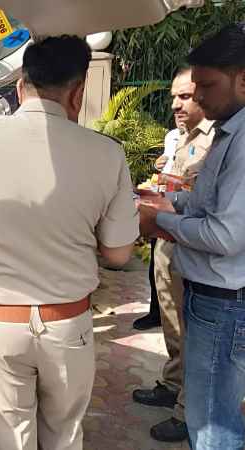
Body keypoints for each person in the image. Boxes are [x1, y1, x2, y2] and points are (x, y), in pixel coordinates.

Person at [0, 36, 139, 450]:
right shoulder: (107, 154)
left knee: (10, 437)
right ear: (78, 92)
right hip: (67, 325)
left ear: (19, 86)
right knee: (64, 435)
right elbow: (119, 255)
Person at [139, 23, 245, 450]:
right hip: (212, 296)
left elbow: (225, 235)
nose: (197, 97)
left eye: (206, 86)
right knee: (207, 410)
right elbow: (205, 201)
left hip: (225, 301)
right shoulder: (229, 131)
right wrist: (167, 203)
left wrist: (160, 222)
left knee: (212, 425)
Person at [133, 66, 215, 442]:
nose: (175, 105)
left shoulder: (219, 139)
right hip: (168, 240)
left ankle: (187, 410)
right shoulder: (184, 136)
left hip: (196, 248)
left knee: (192, 329)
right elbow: (179, 187)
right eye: (173, 98)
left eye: (184, 96)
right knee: (170, 317)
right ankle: (172, 383)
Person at [133, 128, 180, 332]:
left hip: (185, 212)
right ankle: (156, 313)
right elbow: (164, 167)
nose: (178, 113)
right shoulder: (172, 136)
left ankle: (178, 317)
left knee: (178, 270)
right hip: (162, 204)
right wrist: (157, 165)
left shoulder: (210, 136)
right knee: (156, 264)